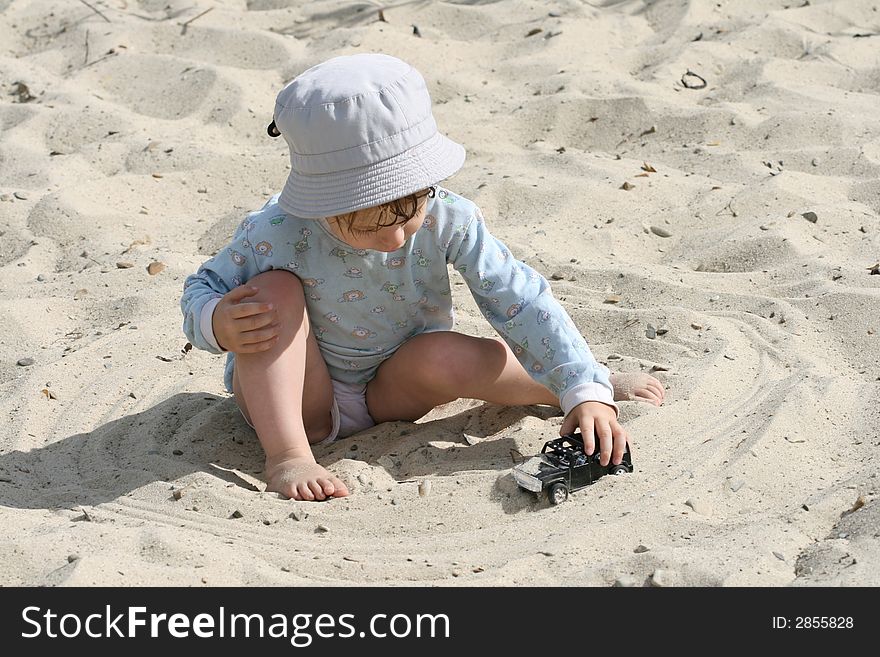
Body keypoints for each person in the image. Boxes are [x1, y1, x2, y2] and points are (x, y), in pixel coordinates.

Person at [180, 53, 665, 502]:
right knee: (271, 292)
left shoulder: (447, 216)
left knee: (449, 351)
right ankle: (287, 456)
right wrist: (216, 321)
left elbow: (519, 298)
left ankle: (570, 387)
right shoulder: (276, 231)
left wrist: (582, 384)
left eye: (406, 213)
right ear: (322, 203)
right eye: (367, 224)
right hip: (297, 399)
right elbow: (201, 289)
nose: (394, 239)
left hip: (396, 385)